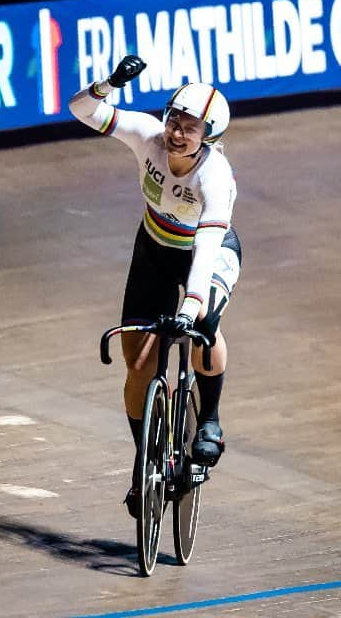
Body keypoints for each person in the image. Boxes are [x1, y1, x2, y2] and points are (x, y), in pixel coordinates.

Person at [69, 56, 242, 518]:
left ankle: (209, 420)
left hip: (207, 251)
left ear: (210, 138)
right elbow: (82, 110)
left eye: (191, 127)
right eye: (175, 119)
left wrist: (191, 304)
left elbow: (205, 249)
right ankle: (144, 457)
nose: (177, 132)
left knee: (203, 323)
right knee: (139, 364)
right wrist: (109, 84)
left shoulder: (214, 176)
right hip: (154, 247)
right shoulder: (147, 135)